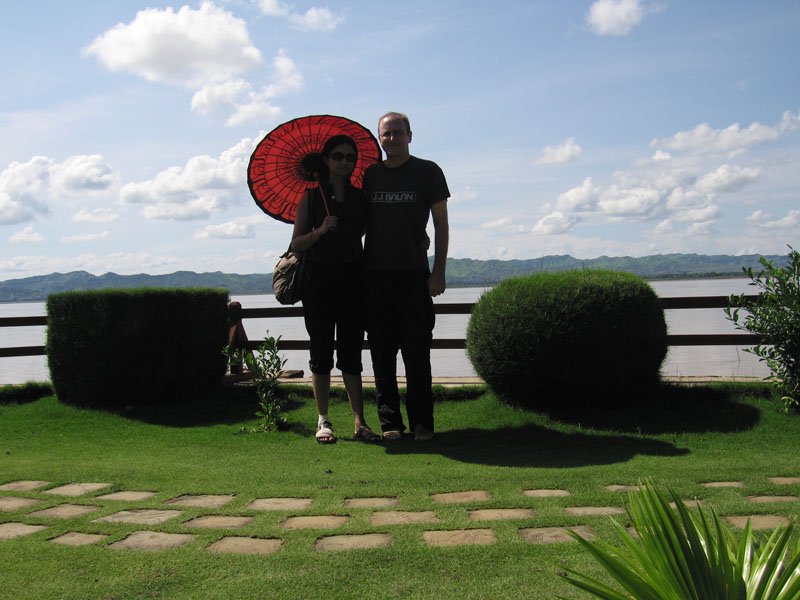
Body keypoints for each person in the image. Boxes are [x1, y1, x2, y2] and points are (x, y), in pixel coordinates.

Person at [363, 112, 450, 442]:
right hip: (375, 279)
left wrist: (438, 271)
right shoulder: (370, 177)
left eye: (398, 133)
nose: (392, 139)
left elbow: (440, 224)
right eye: (386, 134)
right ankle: (390, 424)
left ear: (410, 136)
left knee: (417, 355)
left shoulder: (428, 172)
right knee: (381, 356)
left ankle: (422, 423)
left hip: (414, 276)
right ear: (379, 138)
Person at [291, 135, 380, 444]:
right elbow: (296, 243)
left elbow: (368, 232)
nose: (345, 161)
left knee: (352, 351)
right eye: (338, 156)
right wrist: (321, 230)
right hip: (318, 283)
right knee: (321, 350)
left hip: (354, 281)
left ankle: (360, 422)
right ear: (327, 160)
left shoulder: (360, 199)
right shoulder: (312, 198)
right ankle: (324, 420)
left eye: (350, 157)